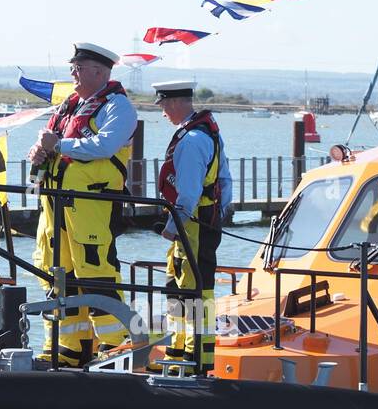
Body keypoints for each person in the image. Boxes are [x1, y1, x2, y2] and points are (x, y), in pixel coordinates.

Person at [27, 42, 136, 366]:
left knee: (96, 271)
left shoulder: (118, 107)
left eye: (79, 67)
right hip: (55, 203)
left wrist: (59, 144)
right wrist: (39, 152)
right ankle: (66, 347)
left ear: (100, 71)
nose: (72, 73)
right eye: (72, 67)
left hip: (92, 204)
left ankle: (115, 345)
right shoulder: (69, 106)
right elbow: (49, 140)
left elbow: (105, 145)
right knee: (55, 273)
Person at [152, 79, 233, 374]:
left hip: (194, 225)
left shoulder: (190, 141)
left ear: (175, 103)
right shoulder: (207, 133)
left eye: (163, 106)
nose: (162, 113)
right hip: (204, 223)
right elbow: (225, 179)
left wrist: (171, 228)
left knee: (194, 289)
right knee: (180, 286)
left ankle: (193, 358)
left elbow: (188, 194)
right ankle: (180, 353)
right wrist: (220, 212)